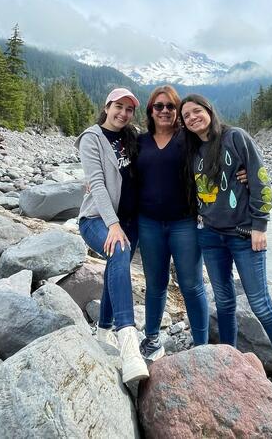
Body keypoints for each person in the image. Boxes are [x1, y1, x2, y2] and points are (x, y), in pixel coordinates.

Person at [179, 93, 272, 432]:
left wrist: (260, 225)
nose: (193, 118)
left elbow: (259, 177)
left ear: (209, 111)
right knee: (223, 301)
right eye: (187, 115)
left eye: (197, 111)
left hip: (243, 235)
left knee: (261, 304)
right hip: (210, 235)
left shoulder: (235, 137)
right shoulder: (192, 150)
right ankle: (229, 367)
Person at [75, 87, 149, 384]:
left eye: (129, 109)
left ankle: (103, 330)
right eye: (118, 107)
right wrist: (113, 224)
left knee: (115, 268)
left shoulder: (133, 137)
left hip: (130, 221)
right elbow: (97, 183)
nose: (123, 113)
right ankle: (129, 344)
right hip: (96, 219)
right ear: (106, 107)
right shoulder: (91, 138)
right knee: (118, 253)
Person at [136, 85, 209, 360]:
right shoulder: (140, 142)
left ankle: (201, 345)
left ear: (177, 111)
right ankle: (152, 339)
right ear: (151, 111)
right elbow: (120, 171)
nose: (164, 111)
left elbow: (217, 152)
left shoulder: (188, 139)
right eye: (159, 106)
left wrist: (242, 173)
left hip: (184, 223)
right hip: (149, 223)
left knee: (192, 284)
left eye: (170, 106)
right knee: (155, 283)